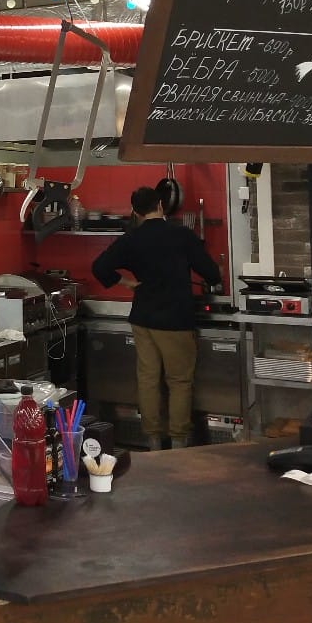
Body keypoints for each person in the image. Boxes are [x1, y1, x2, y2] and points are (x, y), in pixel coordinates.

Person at [91, 186, 223, 451]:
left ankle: (152, 442)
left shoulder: (132, 238)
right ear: (161, 205)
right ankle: (178, 443)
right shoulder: (181, 235)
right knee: (179, 381)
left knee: (148, 379)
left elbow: (99, 267)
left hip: (143, 319)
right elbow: (211, 274)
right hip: (176, 319)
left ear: (135, 211)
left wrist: (127, 283)